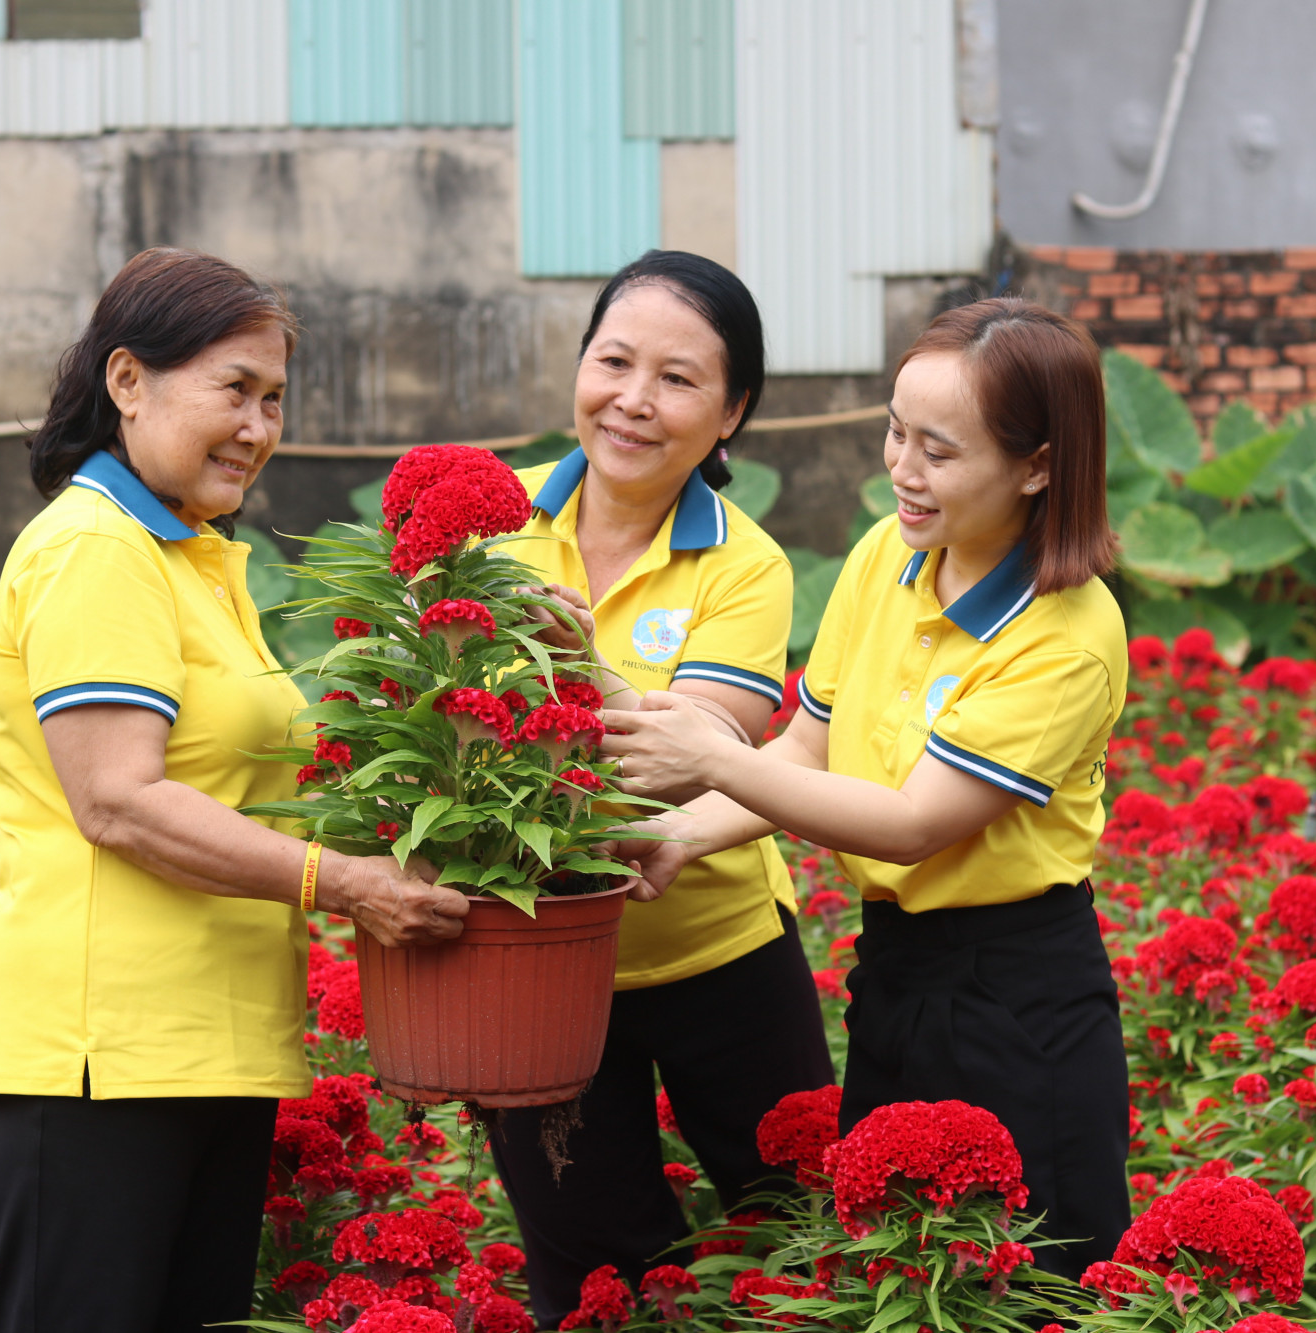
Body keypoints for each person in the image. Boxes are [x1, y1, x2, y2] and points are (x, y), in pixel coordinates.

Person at [0, 246, 468, 1333]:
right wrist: (345, 883)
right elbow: (119, 800)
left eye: (274, 398)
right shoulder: (97, 549)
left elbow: (238, 780)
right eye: (232, 390)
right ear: (128, 381)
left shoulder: (191, 556)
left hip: (203, 1052)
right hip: (102, 1061)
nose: (257, 425)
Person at [602, 297, 1129, 1280]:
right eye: (894, 431)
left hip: (1018, 994)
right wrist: (679, 831)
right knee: (894, 1272)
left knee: (1037, 1281)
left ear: (1038, 464)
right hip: (895, 975)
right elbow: (806, 751)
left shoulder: (1063, 633)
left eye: (937, 450)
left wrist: (712, 757)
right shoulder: (888, 554)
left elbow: (911, 825)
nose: (900, 469)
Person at [489, 250, 834, 1325]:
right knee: (591, 1274)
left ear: (729, 414)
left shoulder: (742, 563)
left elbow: (701, 750)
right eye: (613, 362)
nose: (633, 402)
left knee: (803, 1233)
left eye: (678, 380)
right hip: (535, 962)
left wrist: (582, 674)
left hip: (714, 955)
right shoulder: (484, 533)